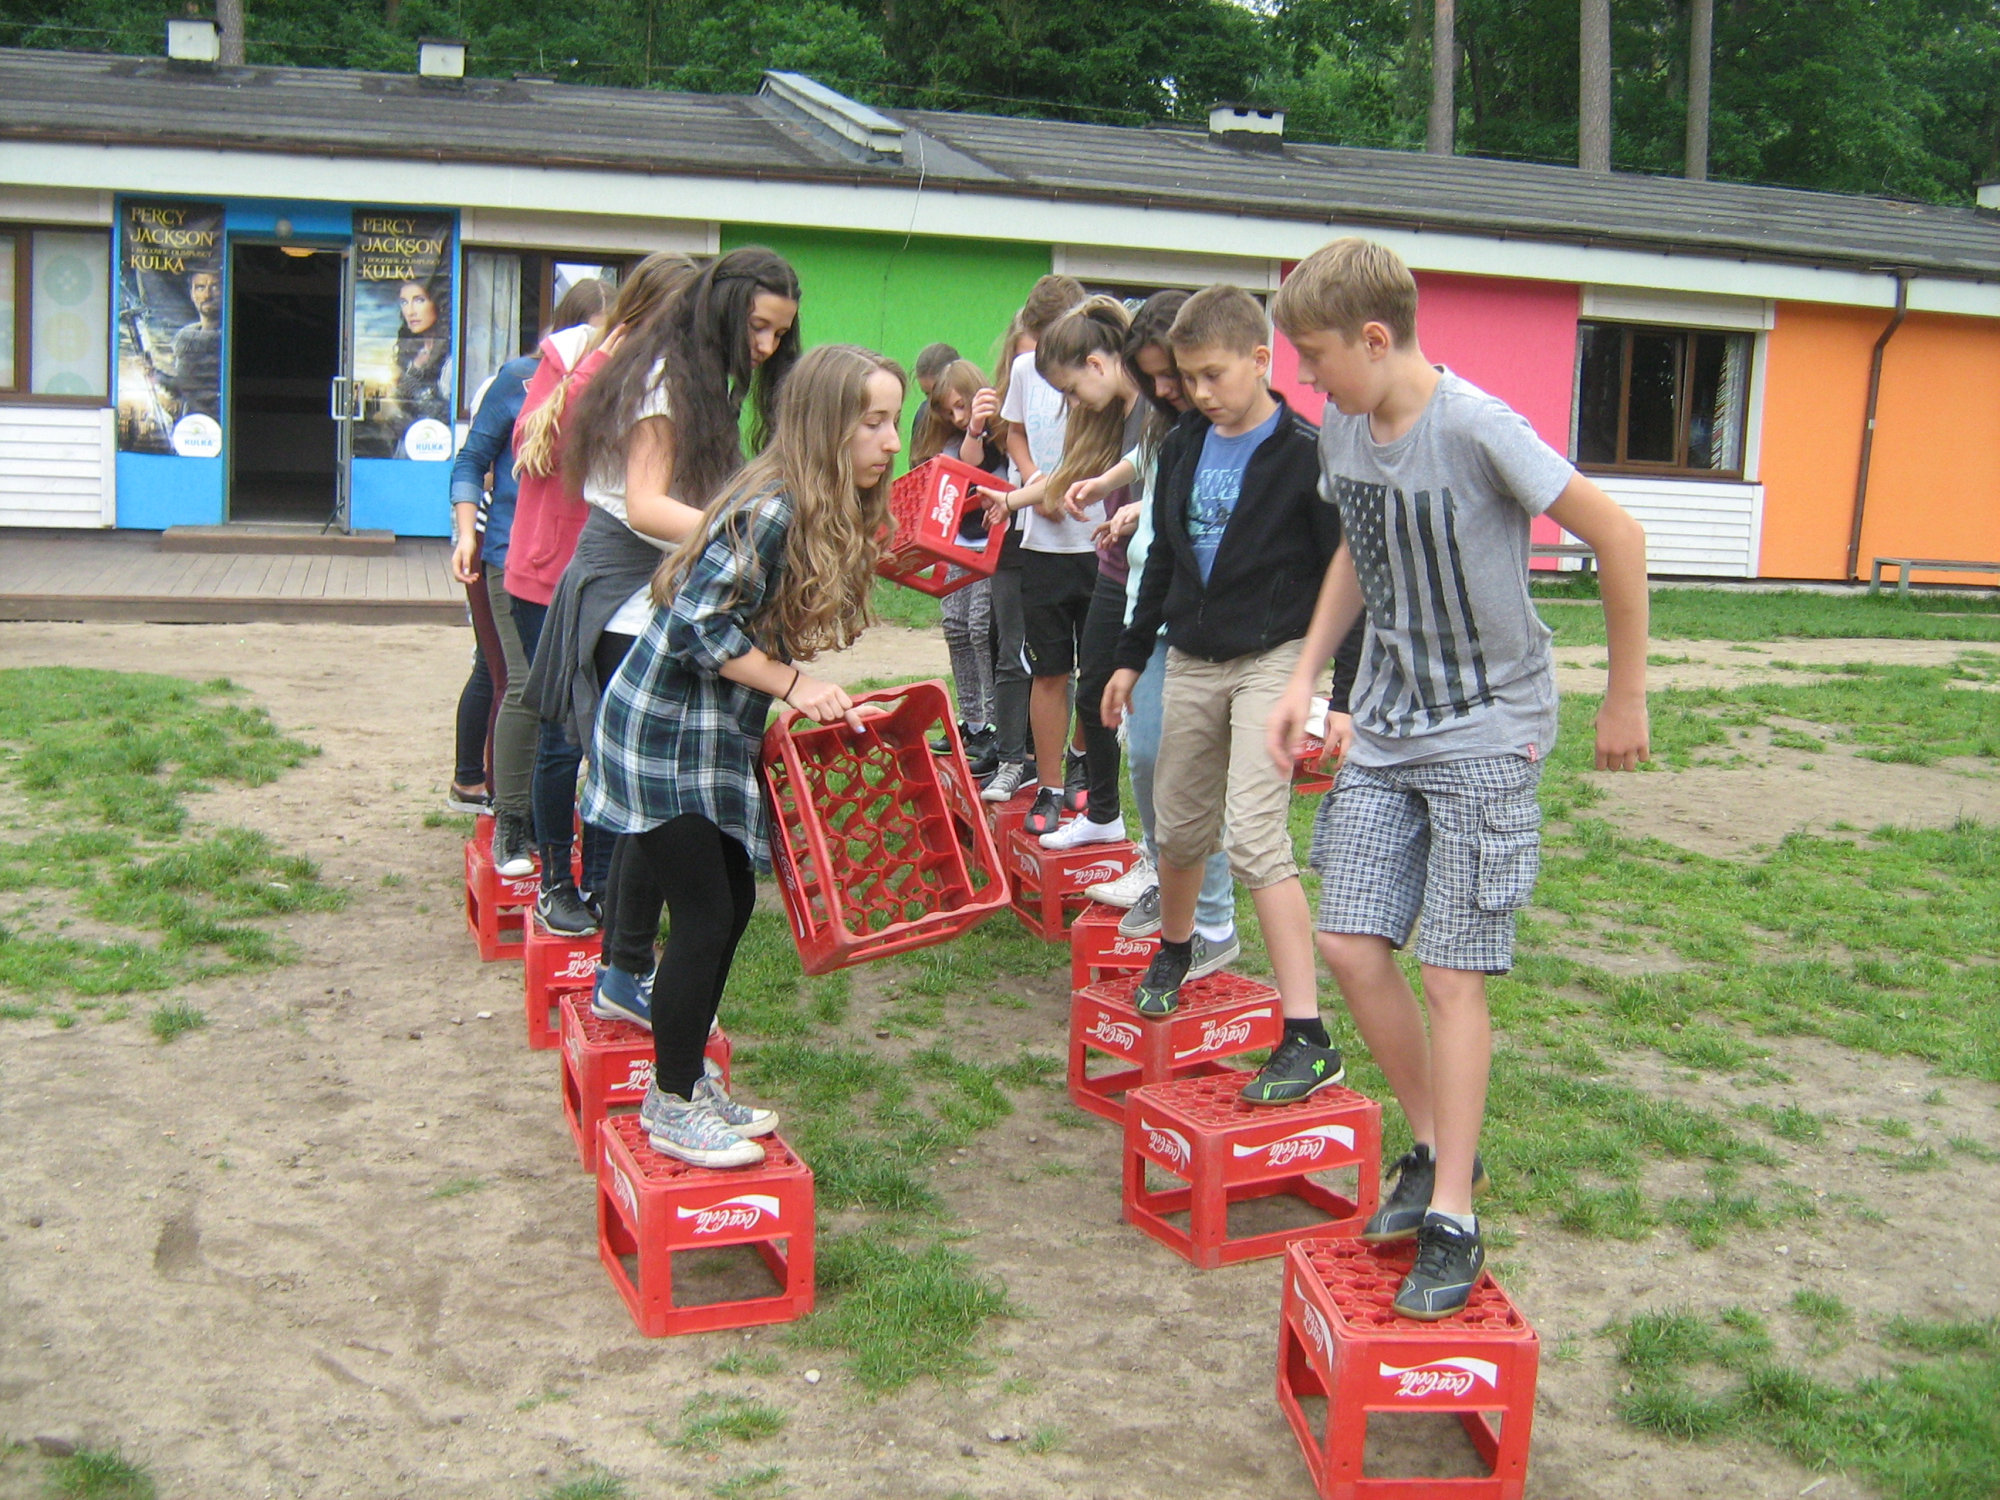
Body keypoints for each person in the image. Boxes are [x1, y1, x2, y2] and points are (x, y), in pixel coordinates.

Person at [1267, 237, 1650, 1319]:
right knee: (1348, 942)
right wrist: (1306, 675)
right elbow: (1359, 546)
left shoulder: (1478, 427)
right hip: (1389, 724)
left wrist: (1624, 697)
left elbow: (1617, 534)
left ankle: (1452, 1218)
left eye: (1315, 357)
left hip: (1488, 729)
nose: (1307, 379)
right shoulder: (1346, 427)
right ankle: (1439, 1148)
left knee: (1450, 973)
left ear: (1373, 339)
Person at [581, 344, 904, 1167]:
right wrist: (795, 685)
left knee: (726, 901)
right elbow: (698, 627)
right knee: (705, 913)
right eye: (873, 422)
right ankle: (671, 1103)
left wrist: (802, 692)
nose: (892, 441)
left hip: (709, 731)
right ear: (827, 424)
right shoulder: (772, 505)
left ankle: (686, 1080)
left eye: (894, 422)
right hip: (662, 733)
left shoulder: (807, 505)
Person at [1102, 284, 1362, 1074]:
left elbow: (1350, 577)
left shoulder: (1306, 453)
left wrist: (1344, 697)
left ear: (1259, 359)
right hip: (1191, 654)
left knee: (1253, 837)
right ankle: (1178, 948)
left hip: (1274, 656)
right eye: (1186, 377)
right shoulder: (1182, 444)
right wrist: (1129, 656)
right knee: (1179, 829)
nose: (1197, 392)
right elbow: (1162, 557)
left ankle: (1307, 1034)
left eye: (1212, 374)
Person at [523, 248, 801, 936]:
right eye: (758, 327)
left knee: (647, 809)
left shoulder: (703, 379)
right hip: (624, 605)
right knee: (648, 803)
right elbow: (646, 507)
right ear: (724, 310)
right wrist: (745, 532)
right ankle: (620, 952)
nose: (767, 347)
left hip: (655, 596)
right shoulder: (664, 381)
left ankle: (622, 957)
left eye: (779, 333)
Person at [489, 257, 689, 880]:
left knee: (605, 731)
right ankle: (531, 845)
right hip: (551, 573)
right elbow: (537, 447)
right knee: (554, 724)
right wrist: (602, 360)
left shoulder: (669, 379)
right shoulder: (571, 359)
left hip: (621, 581)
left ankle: (599, 879)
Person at [1078, 291, 1237, 964]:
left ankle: (1213, 921)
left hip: (1203, 626)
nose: (1166, 389)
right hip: (1147, 611)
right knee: (1144, 758)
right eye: (1153, 379)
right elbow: (1154, 469)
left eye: (1172, 373)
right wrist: (1126, 502)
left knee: (1191, 775)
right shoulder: (1166, 423)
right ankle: (1161, 873)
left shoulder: (1226, 424)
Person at [446, 277, 614, 819]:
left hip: (580, 562)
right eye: (591, 333)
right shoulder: (520, 379)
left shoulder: (618, 387)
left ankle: (537, 807)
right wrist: (466, 534)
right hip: (509, 554)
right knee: (522, 684)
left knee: (554, 687)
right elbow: (471, 460)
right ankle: (510, 816)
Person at [995, 298, 1146, 845]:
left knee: (1139, 720)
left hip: (1142, 577)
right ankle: (1098, 812)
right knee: (1089, 690)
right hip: (1113, 564)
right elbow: (1078, 474)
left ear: (1097, 364)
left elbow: (1161, 470)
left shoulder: (1151, 409)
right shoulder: (1114, 413)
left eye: (1072, 390)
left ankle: (1139, 841)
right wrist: (1012, 500)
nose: (1072, 404)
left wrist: (1136, 508)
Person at [981, 274, 1086, 805]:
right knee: (1033, 660)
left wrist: (1046, 490)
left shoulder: (1096, 372)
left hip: (1091, 535)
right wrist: (1032, 479)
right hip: (1035, 535)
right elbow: (1015, 433)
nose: (1048, 357)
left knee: (1091, 665)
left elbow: (1106, 452)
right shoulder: (1025, 370)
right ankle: (1028, 771)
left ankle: (1082, 762)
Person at [912, 357, 1005, 777]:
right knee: (955, 625)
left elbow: (976, 464)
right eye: (949, 411)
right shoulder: (955, 437)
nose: (957, 417)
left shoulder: (999, 433)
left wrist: (978, 428)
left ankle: (997, 727)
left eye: (961, 406)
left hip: (991, 544)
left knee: (981, 627)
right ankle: (972, 723)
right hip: (959, 542)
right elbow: (957, 466)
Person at [169, 268, 222, 421]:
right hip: (190, 424)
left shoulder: (224, 338)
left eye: (215, 287)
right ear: (192, 294)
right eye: (200, 287)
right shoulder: (183, 337)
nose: (207, 295)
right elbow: (179, 388)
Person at [909, 340, 960, 462]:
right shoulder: (924, 416)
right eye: (927, 395)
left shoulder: (983, 409)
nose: (934, 402)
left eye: (939, 391)